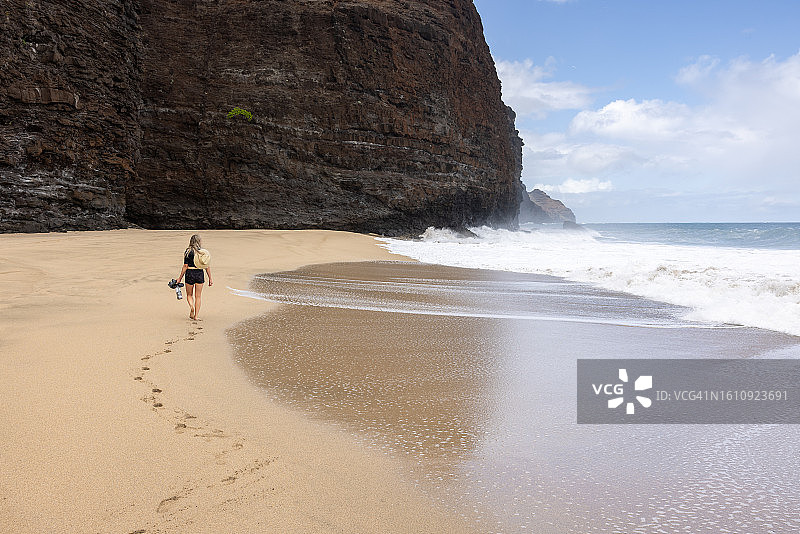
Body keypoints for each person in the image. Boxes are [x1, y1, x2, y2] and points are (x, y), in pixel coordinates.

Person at [176, 234, 213, 320]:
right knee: (198, 296)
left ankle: (191, 306)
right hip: (199, 273)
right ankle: (196, 316)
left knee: (189, 295)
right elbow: (207, 266)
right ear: (199, 241)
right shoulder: (202, 252)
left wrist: (179, 278)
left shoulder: (188, 252)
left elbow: (185, 266)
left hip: (189, 273)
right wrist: (210, 278)